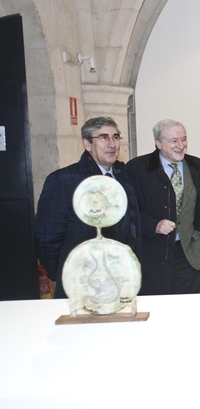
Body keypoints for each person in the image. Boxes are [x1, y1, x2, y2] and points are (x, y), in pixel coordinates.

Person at [34, 117, 139, 298]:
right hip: (81, 283)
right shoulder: (64, 180)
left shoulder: (124, 177)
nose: (112, 144)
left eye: (115, 137)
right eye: (103, 137)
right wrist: (65, 273)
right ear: (87, 144)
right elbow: (46, 237)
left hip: (121, 280)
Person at [126, 119, 200, 295]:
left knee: (186, 306)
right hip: (152, 255)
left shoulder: (198, 167)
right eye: (174, 140)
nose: (181, 145)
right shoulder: (137, 169)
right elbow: (128, 210)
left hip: (188, 252)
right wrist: (154, 225)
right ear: (158, 143)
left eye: (184, 139)